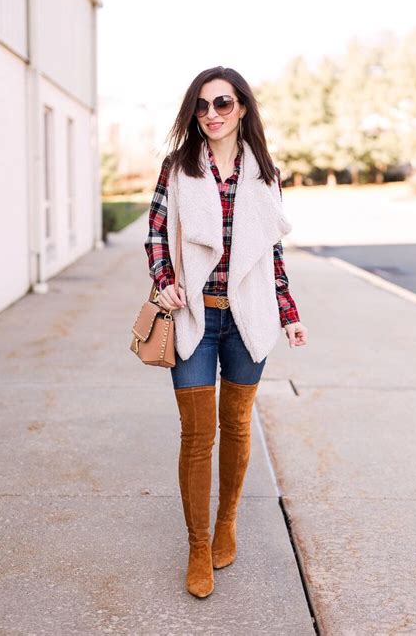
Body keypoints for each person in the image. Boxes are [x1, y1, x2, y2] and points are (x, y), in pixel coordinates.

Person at [144, 66, 308, 598]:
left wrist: (289, 312)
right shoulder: (178, 168)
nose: (211, 114)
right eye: (202, 106)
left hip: (247, 317)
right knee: (197, 436)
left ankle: (226, 524)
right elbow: (155, 236)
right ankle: (197, 547)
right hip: (195, 316)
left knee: (237, 427)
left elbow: (272, 254)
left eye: (223, 104)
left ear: (242, 109)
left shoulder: (266, 173)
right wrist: (165, 280)